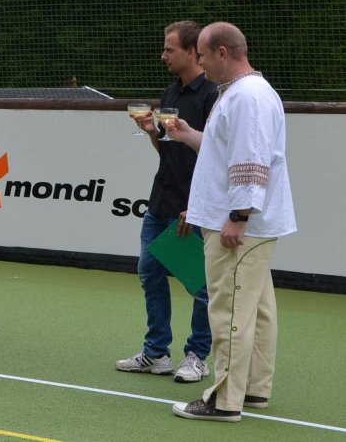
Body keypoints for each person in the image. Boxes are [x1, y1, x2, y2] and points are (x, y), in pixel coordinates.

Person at [168, 22, 297, 423]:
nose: (201, 63)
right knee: (257, 308)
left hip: (240, 226)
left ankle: (224, 400)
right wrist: (191, 135)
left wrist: (238, 217)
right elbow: (226, 149)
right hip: (247, 223)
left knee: (230, 309)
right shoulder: (244, 92)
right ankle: (253, 387)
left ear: (222, 52)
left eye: (204, 55)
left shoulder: (247, 96)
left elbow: (251, 158)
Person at [116, 21, 216, 382]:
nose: (163, 56)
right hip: (160, 201)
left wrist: (197, 205)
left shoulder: (213, 96)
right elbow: (169, 150)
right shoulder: (171, 92)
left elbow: (215, 156)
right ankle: (156, 353)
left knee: (200, 285)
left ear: (191, 52)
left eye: (169, 49)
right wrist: (151, 133)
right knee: (149, 271)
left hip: (193, 207)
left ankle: (197, 356)